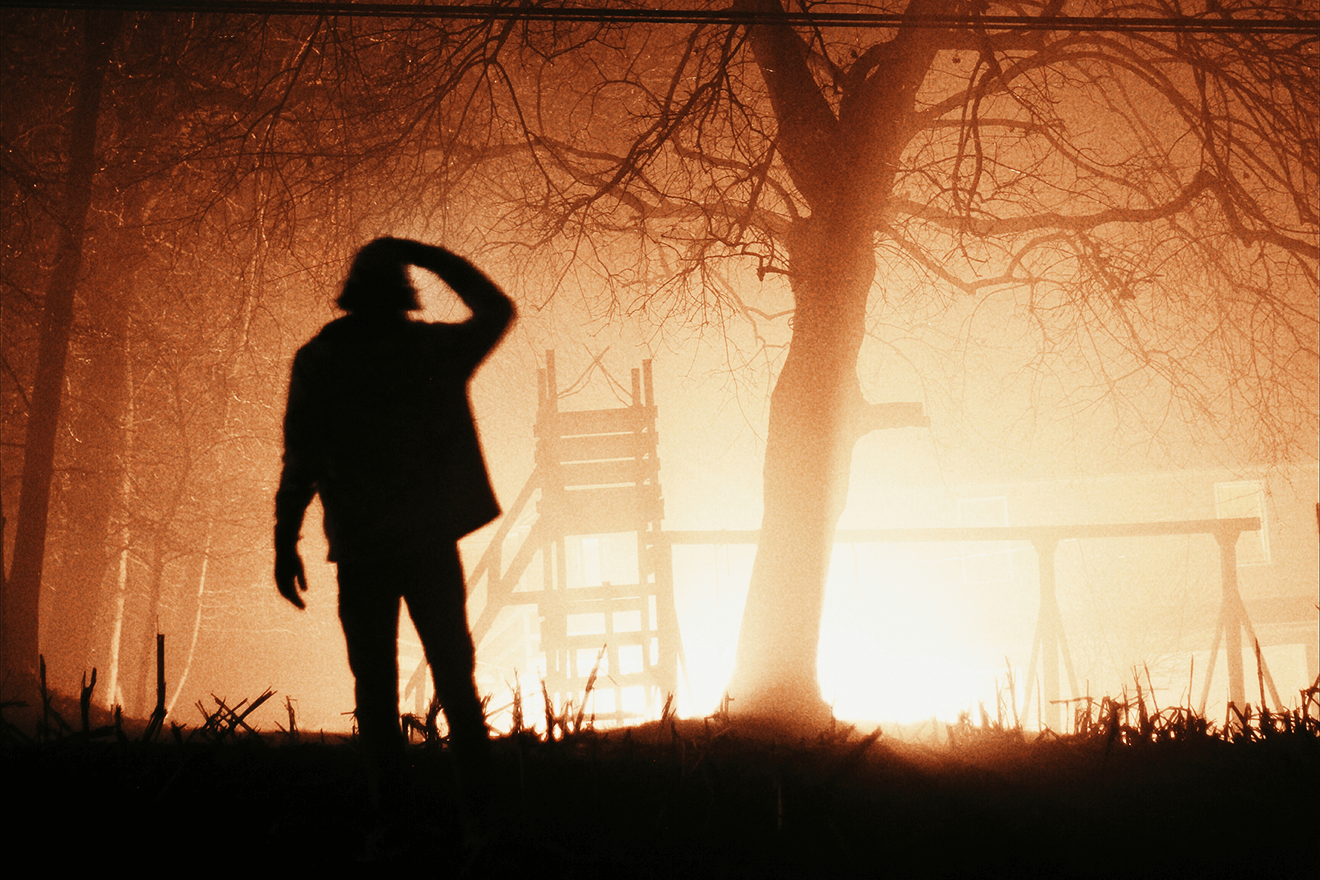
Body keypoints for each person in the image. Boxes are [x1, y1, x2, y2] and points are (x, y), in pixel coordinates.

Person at [274, 237, 514, 827]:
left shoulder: (321, 361)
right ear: (406, 294)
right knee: (456, 679)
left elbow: (300, 458)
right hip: (429, 543)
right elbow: (497, 310)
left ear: (351, 296)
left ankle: (393, 826)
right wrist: (433, 255)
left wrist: (286, 540)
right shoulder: (431, 351)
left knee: (375, 692)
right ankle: (480, 820)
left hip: (361, 550)